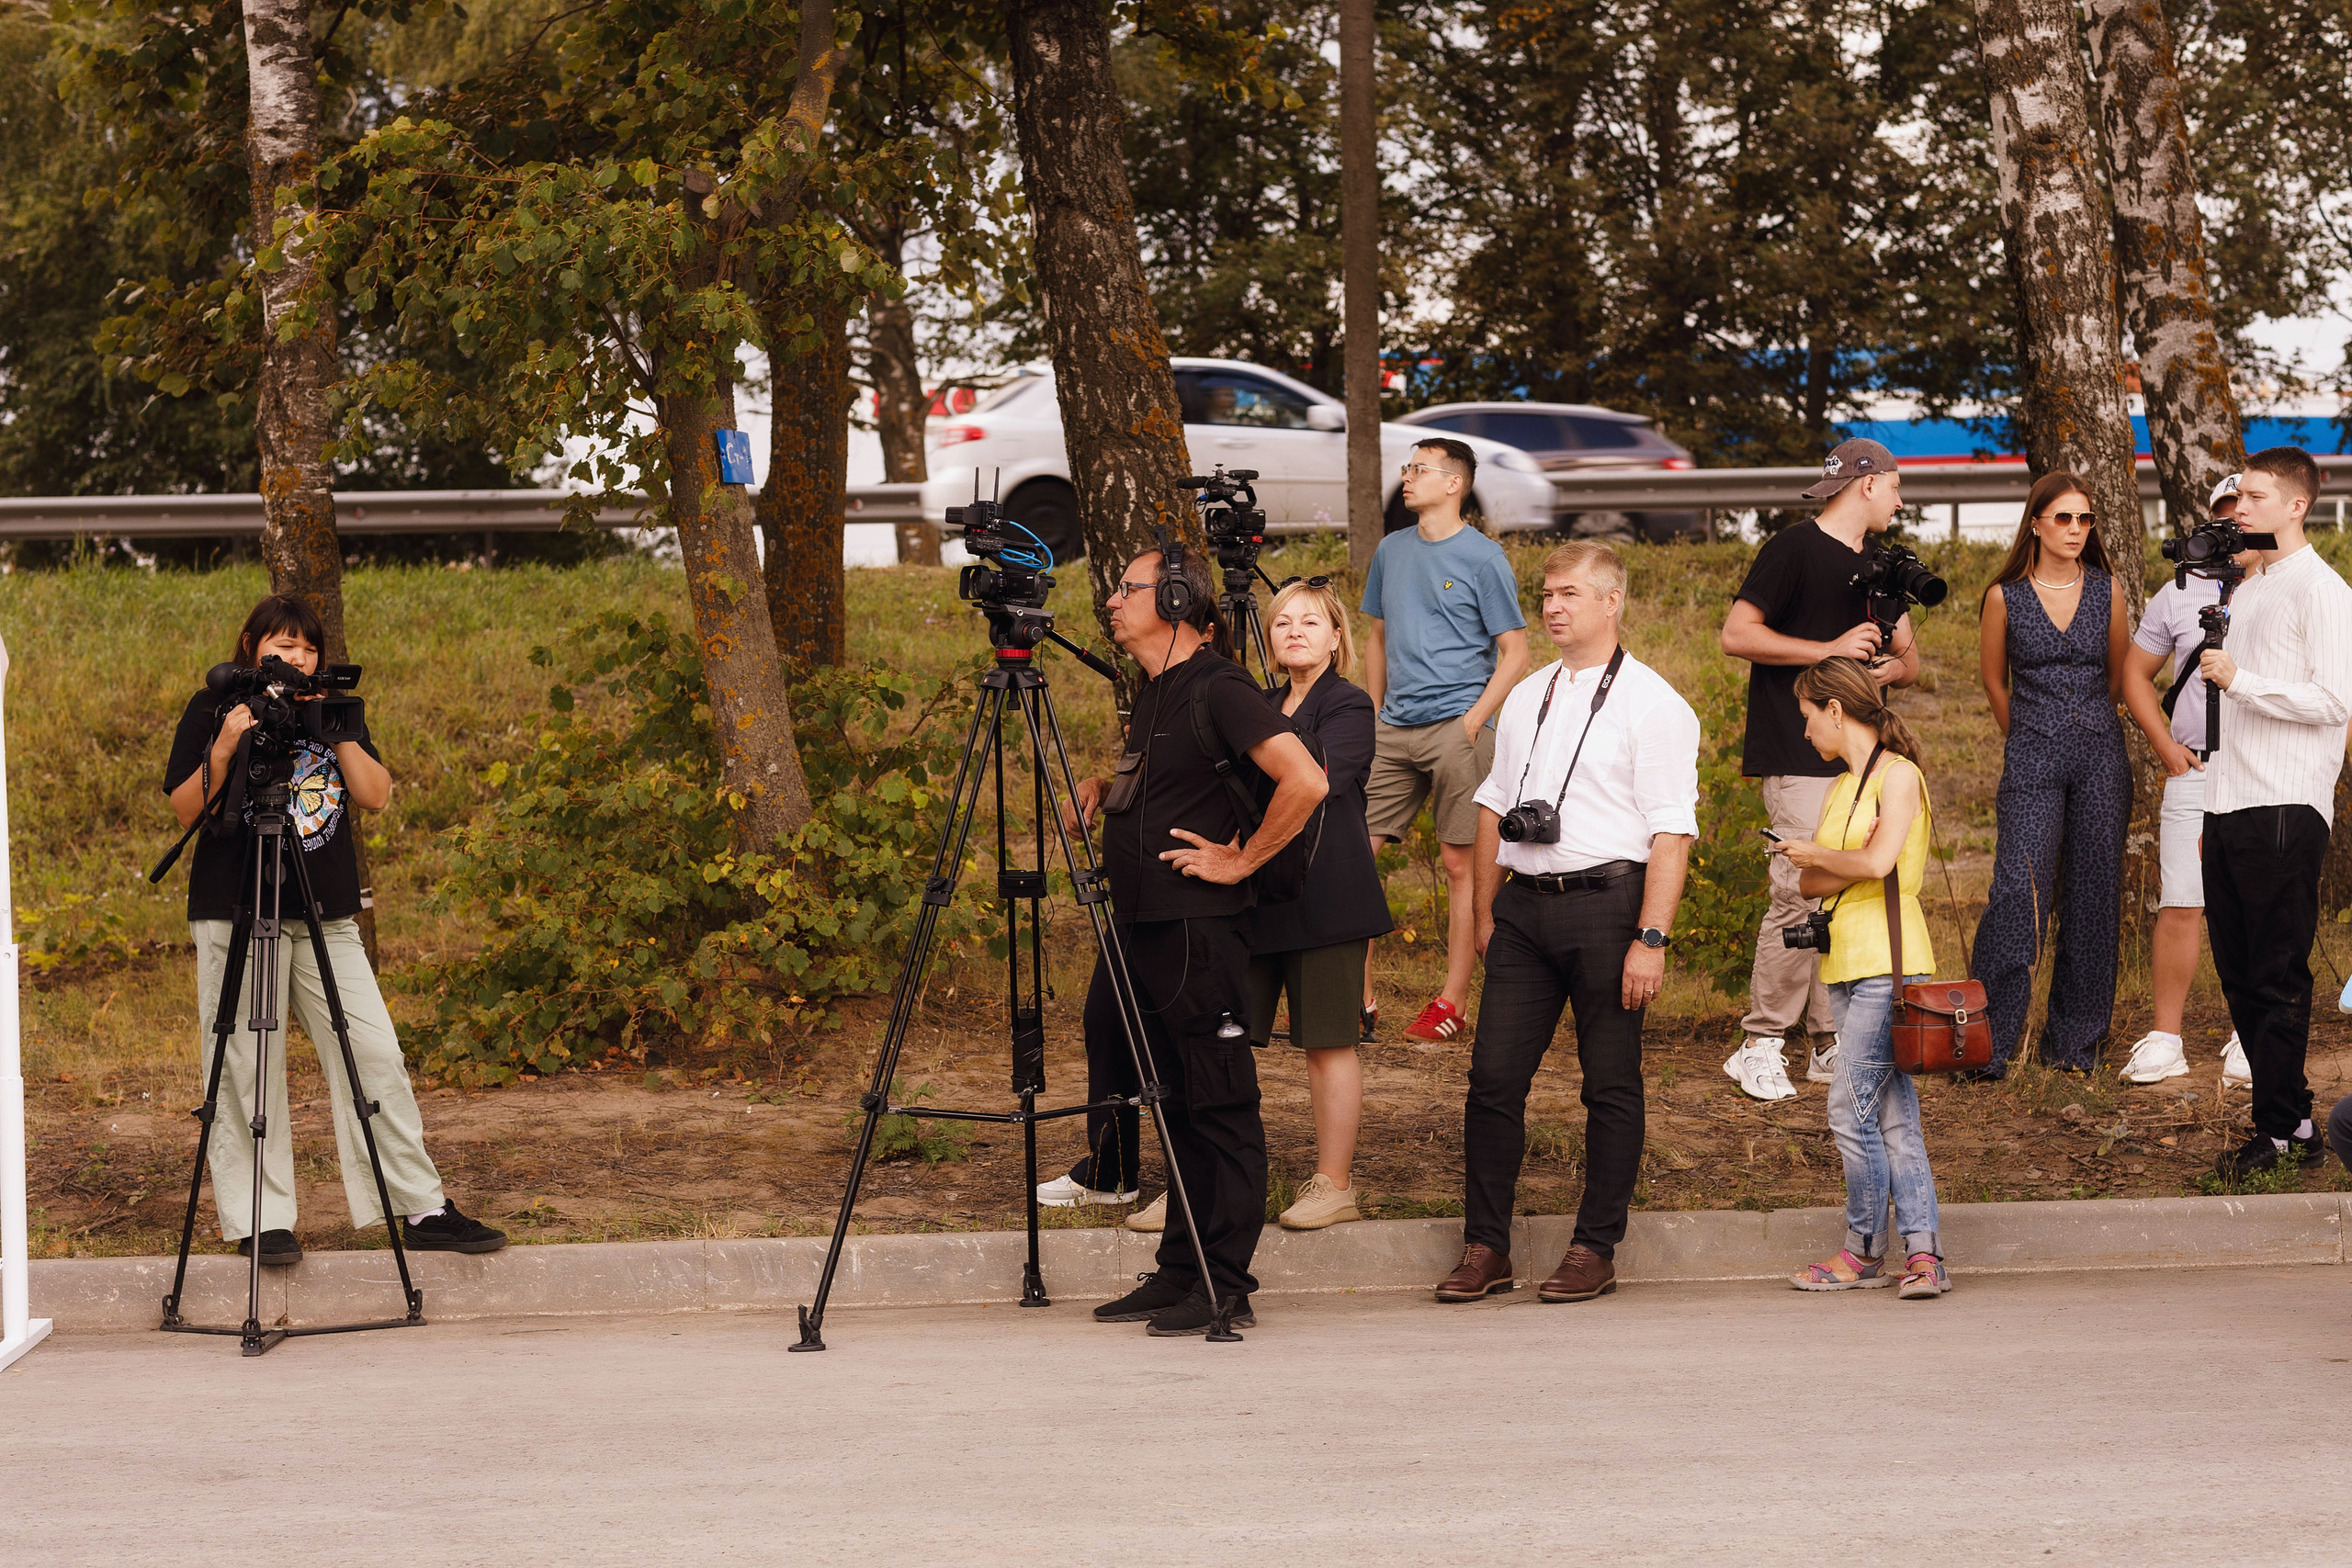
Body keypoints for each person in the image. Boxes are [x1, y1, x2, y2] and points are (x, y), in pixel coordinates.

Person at [162, 594, 506, 1266]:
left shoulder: (335, 714)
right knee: (246, 1068)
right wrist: (229, 742)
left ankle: (420, 1205)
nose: (297, 658)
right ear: (249, 645)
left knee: (374, 1053)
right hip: (238, 911)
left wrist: (338, 728)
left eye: (308, 648)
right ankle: (261, 1220)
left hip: (325, 913)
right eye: (282, 646)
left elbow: (375, 794)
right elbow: (184, 810)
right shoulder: (212, 709)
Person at [1048, 546, 1328, 1334]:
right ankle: (1180, 1269)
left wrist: (1242, 858)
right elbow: (1177, 780)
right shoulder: (1156, 691)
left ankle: (1224, 1280)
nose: (1111, 599)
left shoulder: (1220, 685)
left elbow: (1306, 779)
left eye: (1126, 587)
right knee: (1170, 1102)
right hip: (1141, 928)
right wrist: (1107, 789)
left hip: (1198, 933)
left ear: (1173, 597)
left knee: (1219, 1102)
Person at [1433, 542, 1698, 1306]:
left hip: (1610, 906)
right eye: (1546, 593)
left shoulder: (1655, 702)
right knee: (1491, 1081)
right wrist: (1486, 912)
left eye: (1569, 594)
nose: (1552, 606)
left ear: (1611, 601)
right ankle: (1486, 1246)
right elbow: (1490, 805)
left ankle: (1594, 1246)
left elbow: (1670, 834)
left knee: (1609, 1083)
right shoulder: (1527, 694)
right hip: (1523, 910)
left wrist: (1650, 939)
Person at [1718, 438, 1921, 1102]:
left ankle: (1825, 1043)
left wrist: (1889, 665)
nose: (1900, 497)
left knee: (1841, 893)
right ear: (1866, 484)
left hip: (1861, 762)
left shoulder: (1884, 564)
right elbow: (1737, 634)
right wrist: (1828, 649)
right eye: (1895, 485)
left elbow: (1909, 665)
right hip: (1797, 750)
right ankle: (1760, 1043)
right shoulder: (1792, 550)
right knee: (1799, 891)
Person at [2193, 447, 2352, 1179]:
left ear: (2296, 505)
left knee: (2277, 973)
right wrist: (2211, 804)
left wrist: (2244, 680)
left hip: (2285, 804)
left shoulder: (2322, 591)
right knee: (2237, 976)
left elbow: (2334, 701)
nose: (2241, 507)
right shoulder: (2249, 588)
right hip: (2229, 801)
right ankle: (2294, 1120)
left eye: (2255, 496)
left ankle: (2280, 1131)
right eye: (2238, 495)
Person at [1773, 659, 1949, 1300]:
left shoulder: (1899, 778)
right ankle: (1925, 1255)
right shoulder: (1840, 789)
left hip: (1890, 963)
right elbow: (1809, 883)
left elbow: (1875, 861)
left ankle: (1863, 1250)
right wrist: (1843, 862)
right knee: (1895, 1118)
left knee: (1850, 1111)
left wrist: (1828, 855)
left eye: (1807, 716)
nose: (1805, 731)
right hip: (1843, 963)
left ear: (1836, 710)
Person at [1360, 437, 1530, 1045]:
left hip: (1458, 726)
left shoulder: (1484, 559)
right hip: (1393, 728)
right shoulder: (1391, 550)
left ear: (1454, 483)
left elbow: (1516, 650)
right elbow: (1377, 637)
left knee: (1463, 863)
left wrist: (1474, 719)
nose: (1406, 478)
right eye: (1406, 468)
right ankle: (1359, 996)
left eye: (1419, 470)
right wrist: (1373, 713)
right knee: (1353, 851)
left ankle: (1450, 1002)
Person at [1969, 472, 2132, 1077]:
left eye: (2084, 519)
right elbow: (1992, 678)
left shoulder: (2108, 591)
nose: (2075, 530)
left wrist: (2083, 722)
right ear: (2035, 522)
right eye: (2063, 518)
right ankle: (1987, 1045)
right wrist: (2029, 732)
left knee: (2093, 896)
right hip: (2031, 755)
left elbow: (2117, 677)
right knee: (2019, 892)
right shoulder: (2003, 596)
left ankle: (2073, 1045)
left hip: (2099, 756)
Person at [1242, 578, 1393, 1230]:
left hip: (1327, 896)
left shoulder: (1351, 705)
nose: (1295, 630)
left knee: (1328, 1044)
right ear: (1270, 641)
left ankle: (1333, 1185)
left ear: (1337, 637)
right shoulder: (1257, 703)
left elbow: (1318, 783)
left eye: (1310, 621)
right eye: (1281, 623)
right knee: (1221, 1040)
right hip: (1252, 892)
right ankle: (1208, 1174)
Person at [2116, 473, 2251, 1087]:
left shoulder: (2282, 586)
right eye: (2222, 514)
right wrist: (2165, 745)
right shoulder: (2177, 592)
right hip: (2194, 762)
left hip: (2259, 766)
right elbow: (2136, 673)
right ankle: (2166, 1036)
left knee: (2254, 901)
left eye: (2242, 514)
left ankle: (2251, 1033)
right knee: (2181, 900)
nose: (2232, 526)